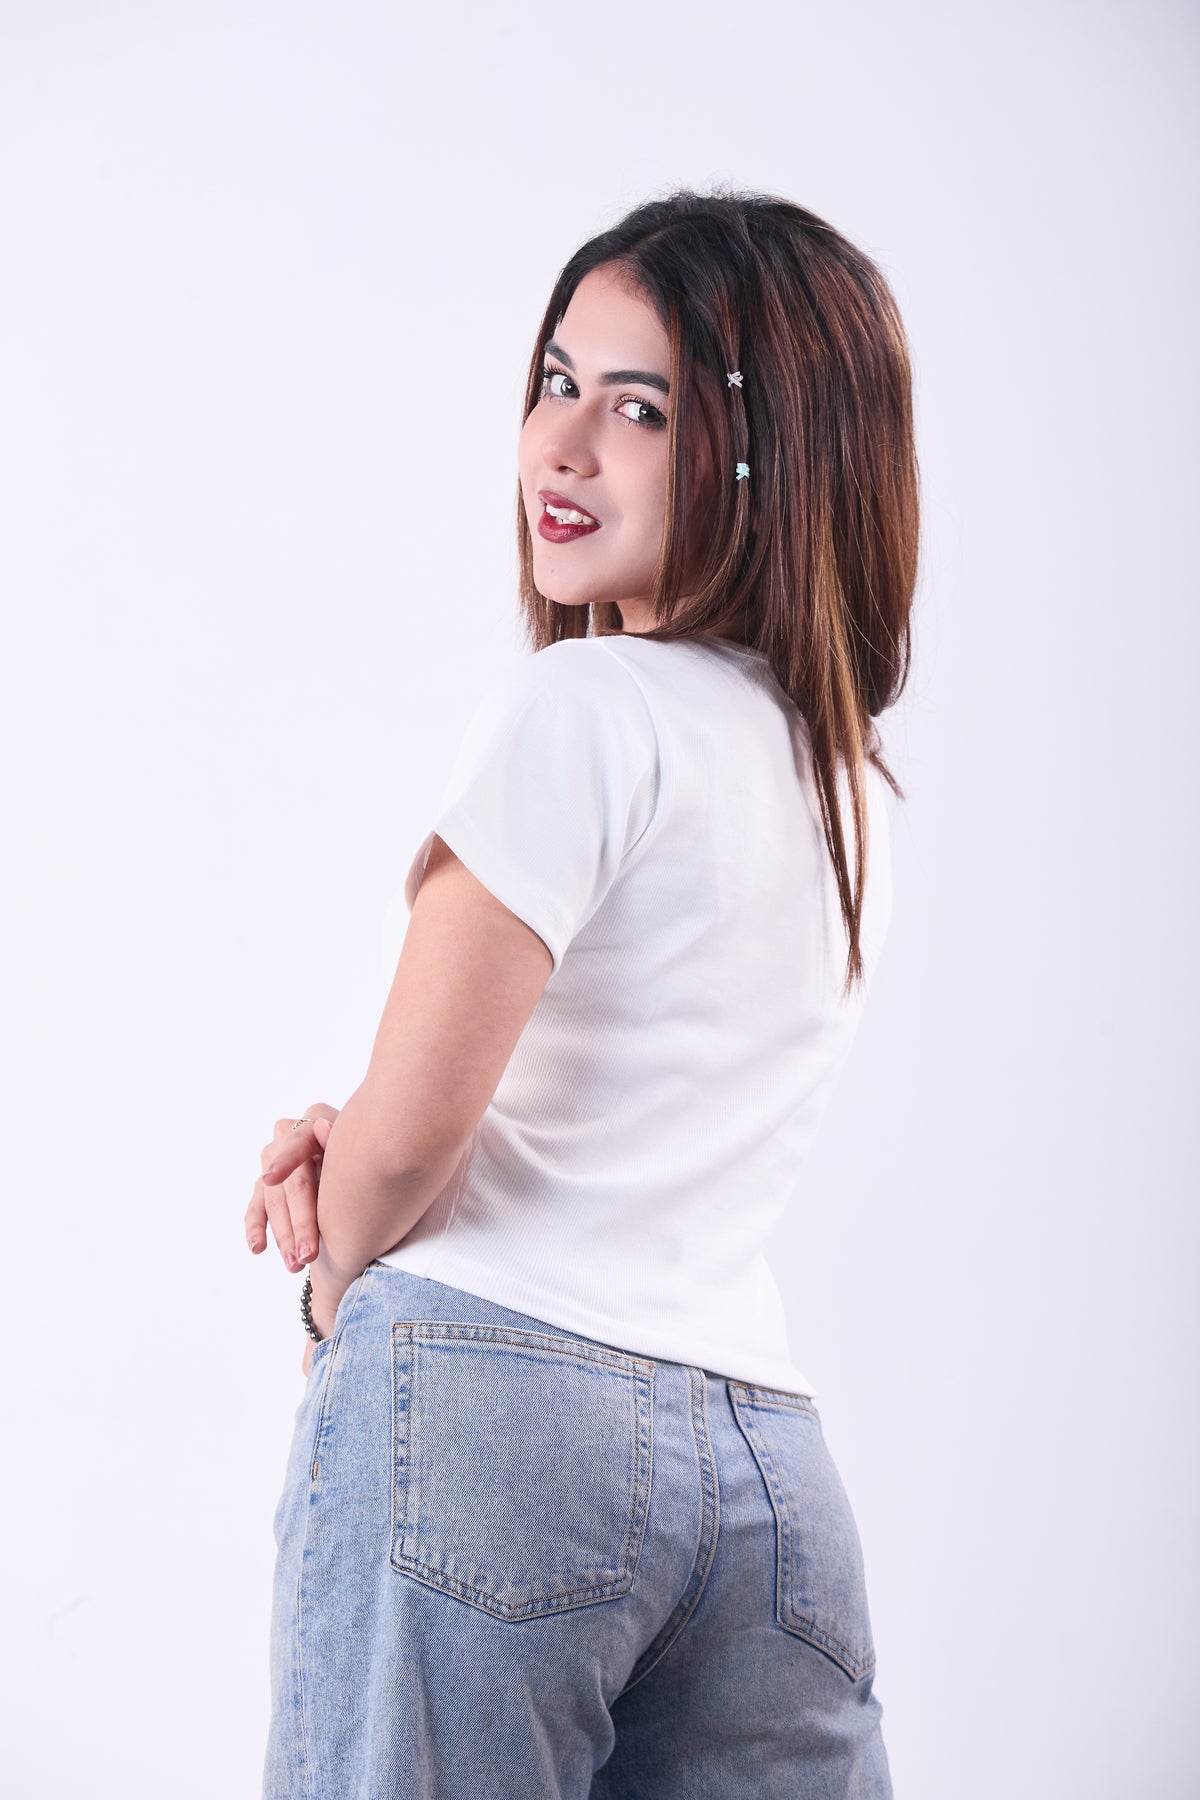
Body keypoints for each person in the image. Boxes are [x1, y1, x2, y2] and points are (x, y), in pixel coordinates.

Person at [247, 185, 919, 1799]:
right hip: (769, 1469)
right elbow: (637, 1109)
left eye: (643, 409)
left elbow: (414, 1143)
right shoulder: (852, 791)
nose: (564, 446)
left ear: (784, 457)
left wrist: (336, 1267)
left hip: (495, 1414)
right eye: (557, 382)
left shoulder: (583, 708)